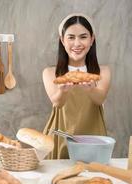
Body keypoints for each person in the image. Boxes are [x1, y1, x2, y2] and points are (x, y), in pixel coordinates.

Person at [42, 13, 111, 159]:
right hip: (60, 138)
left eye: (83, 37)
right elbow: (57, 103)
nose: (77, 44)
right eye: (71, 37)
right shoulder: (50, 73)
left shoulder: (102, 72)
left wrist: (91, 89)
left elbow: (99, 99)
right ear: (62, 40)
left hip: (94, 140)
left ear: (92, 39)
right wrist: (63, 91)